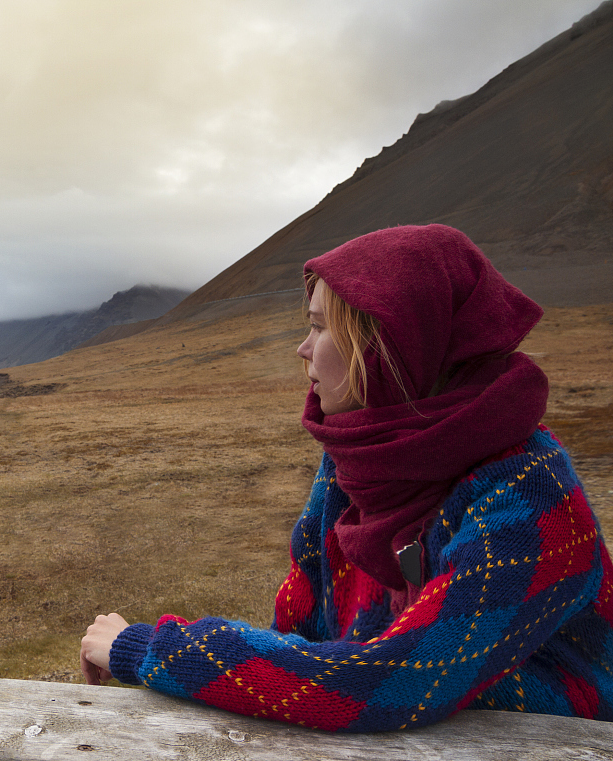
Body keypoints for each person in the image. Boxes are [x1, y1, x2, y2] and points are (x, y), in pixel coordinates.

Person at [80, 224, 613, 731]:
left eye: (318, 327)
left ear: (389, 345)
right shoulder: (356, 462)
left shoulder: (532, 496)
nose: (302, 349)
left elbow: (393, 682)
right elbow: (297, 631)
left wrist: (146, 650)